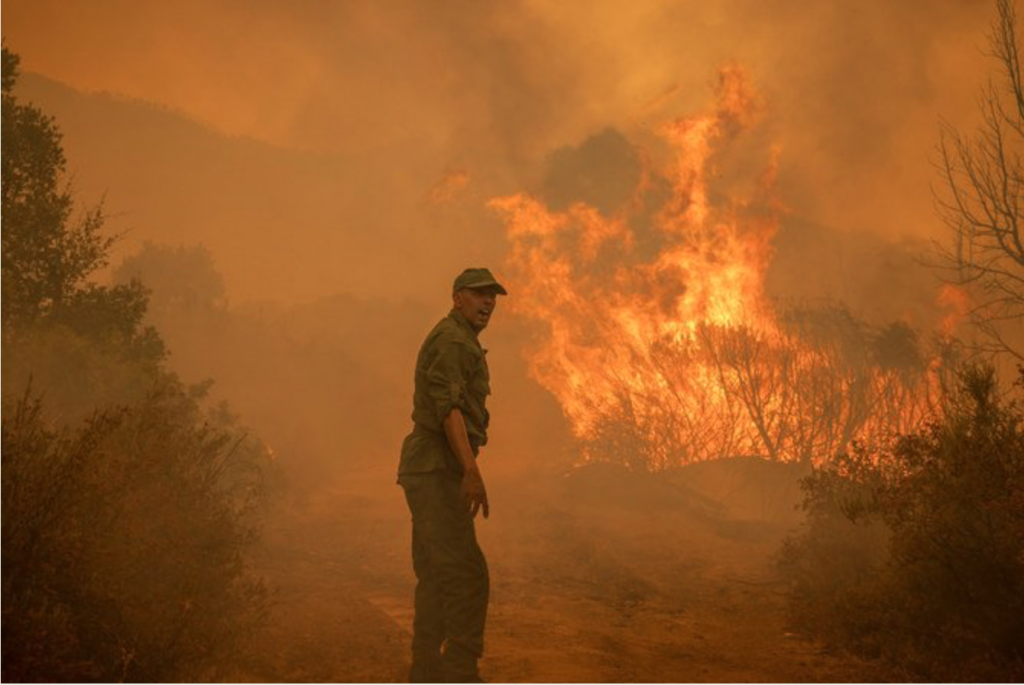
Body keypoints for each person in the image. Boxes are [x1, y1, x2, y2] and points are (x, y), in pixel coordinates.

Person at [397, 267, 508, 683]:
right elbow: (449, 410)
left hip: (427, 468)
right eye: (479, 295)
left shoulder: (461, 340)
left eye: (493, 297)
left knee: (436, 572)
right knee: (466, 574)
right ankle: (460, 669)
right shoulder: (453, 341)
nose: (488, 303)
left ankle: (425, 668)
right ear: (457, 297)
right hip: (436, 468)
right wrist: (470, 470)